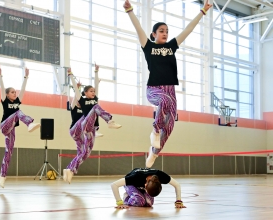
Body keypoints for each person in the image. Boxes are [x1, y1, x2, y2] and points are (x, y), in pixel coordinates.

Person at [123, 0, 212, 168]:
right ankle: (155, 130)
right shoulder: (148, 46)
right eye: (161, 31)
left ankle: (154, 153)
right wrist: (130, 11)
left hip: (170, 91)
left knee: (170, 126)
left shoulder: (171, 47)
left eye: (167, 31)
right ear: (154, 34)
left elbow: (188, 30)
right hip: (154, 89)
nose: (165, 33)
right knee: (164, 102)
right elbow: (138, 29)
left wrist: (202, 11)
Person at [63, 64, 122, 183]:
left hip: (89, 129)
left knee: (86, 152)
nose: (94, 92)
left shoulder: (95, 99)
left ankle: (70, 169)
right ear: (84, 93)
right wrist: (70, 75)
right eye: (91, 91)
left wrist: (96, 71)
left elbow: (96, 86)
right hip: (81, 126)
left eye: (94, 91)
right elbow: (76, 90)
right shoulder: (82, 101)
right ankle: (109, 121)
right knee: (95, 108)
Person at [0, 65, 40, 188]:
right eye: (12, 92)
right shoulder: (5, 100)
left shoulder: (17, 101)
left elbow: (23, 89)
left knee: (9, 151)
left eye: (15, 92)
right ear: (7, 94)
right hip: (4, 125)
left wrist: (26, 76)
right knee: (17, 111)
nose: (15, 94)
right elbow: (1, 87)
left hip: (11, 129)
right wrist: (0, 75)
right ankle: (29, 123)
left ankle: (2, 175)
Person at [111, 168, 186, 209]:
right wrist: (119, 203)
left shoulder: (161, 176)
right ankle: (127, 197)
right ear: (145, 184)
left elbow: (177, 185)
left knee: (149, 203)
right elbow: (114, 185)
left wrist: (178, 201)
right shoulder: (135, 177)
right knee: (139, 201)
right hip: (131, 184)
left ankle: (139, 195)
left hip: (142, 185)